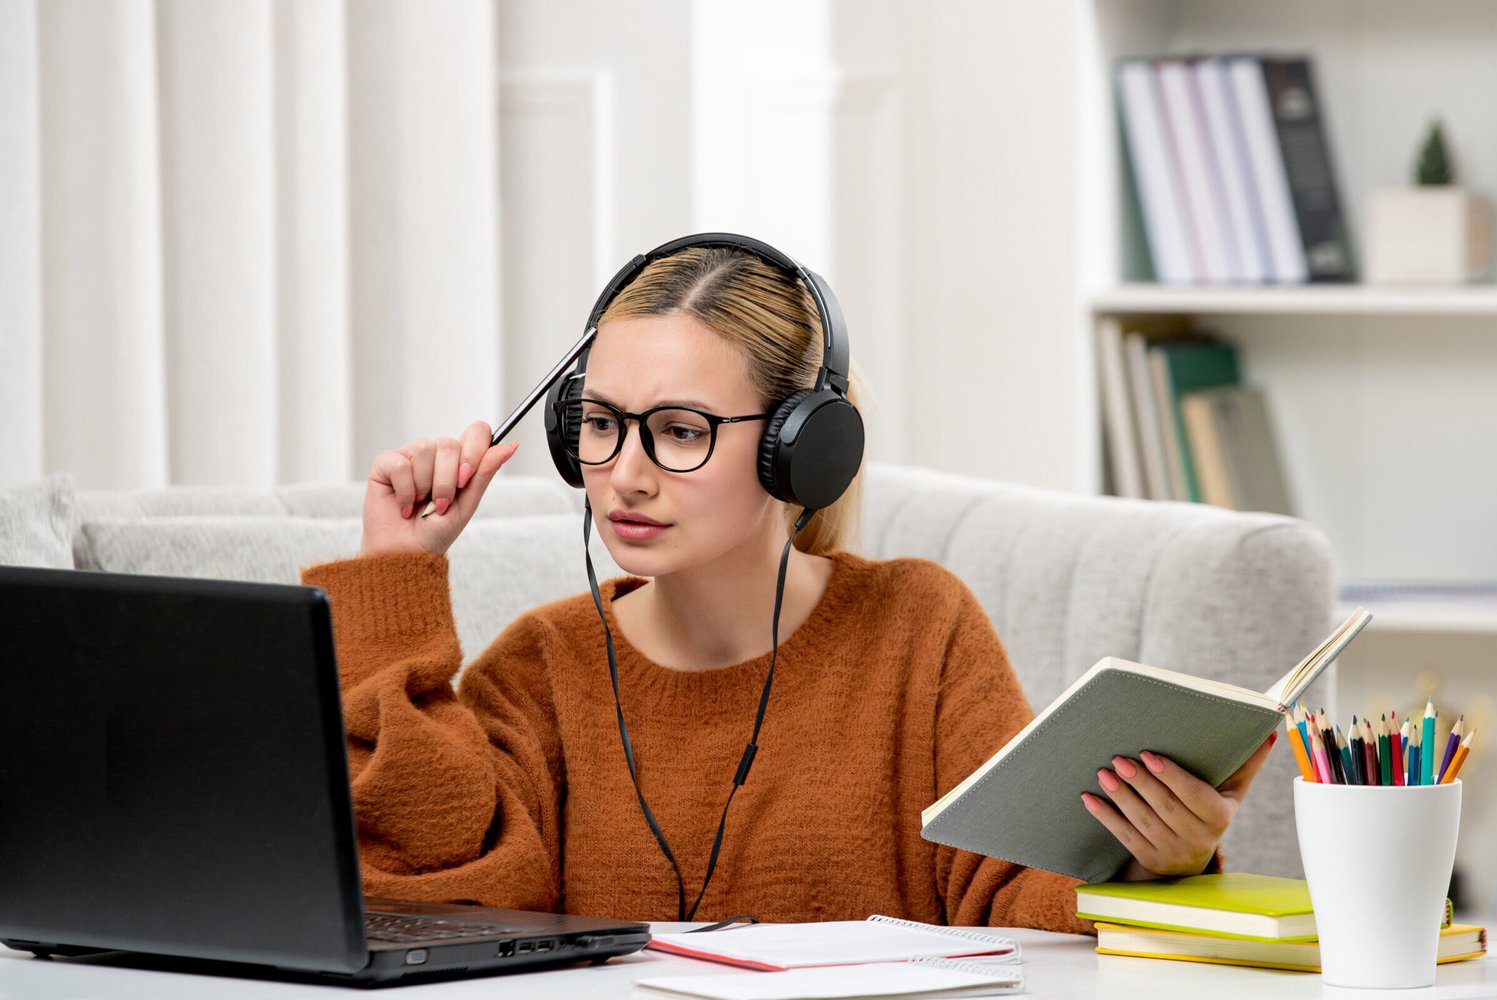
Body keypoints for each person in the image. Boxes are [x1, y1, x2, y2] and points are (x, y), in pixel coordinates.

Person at [303, 235, 1273, 932]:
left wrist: (1154, 859)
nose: (625, 473)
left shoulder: (917, 628)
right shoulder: (540, 667)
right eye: (599, 423)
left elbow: (1014, 900)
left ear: (799, 450)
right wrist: (398, 574)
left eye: (679, 431)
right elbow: (425, 894)